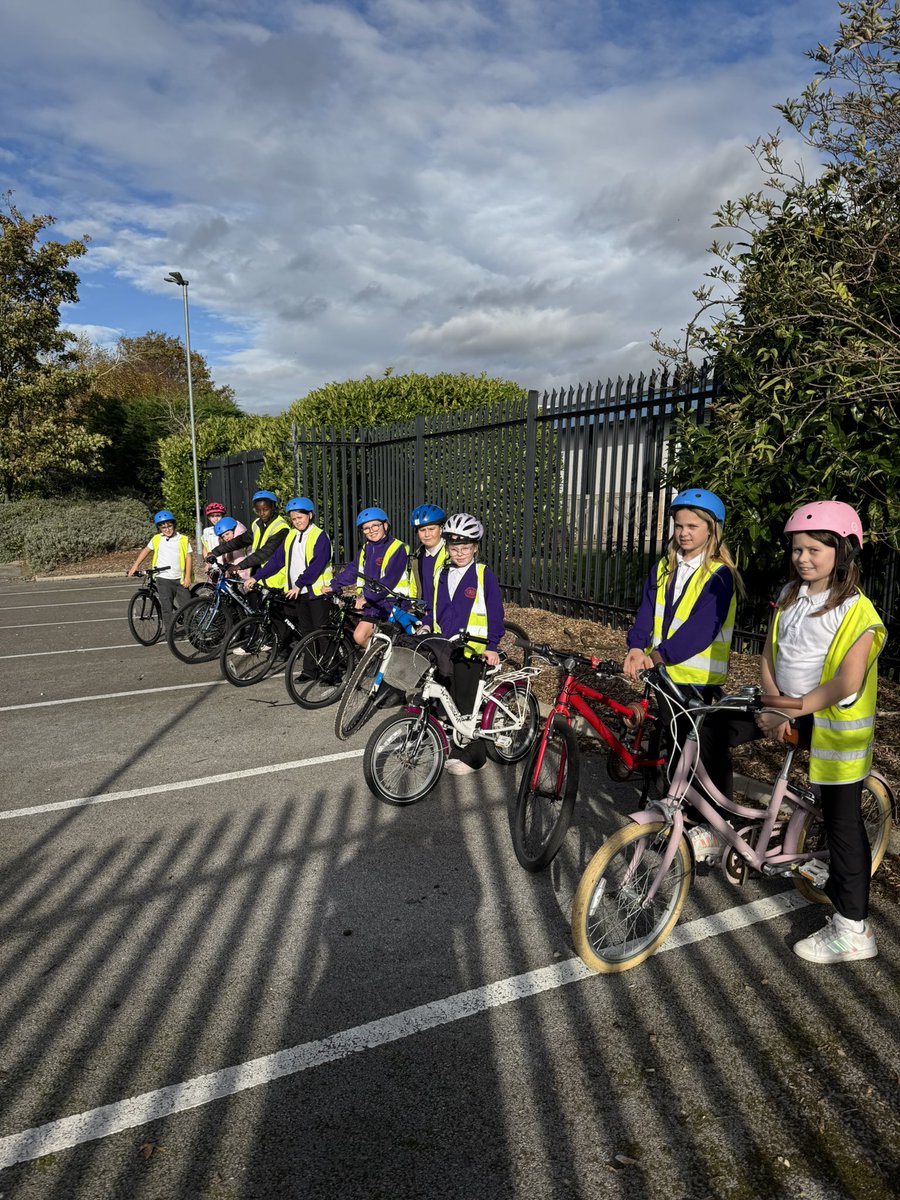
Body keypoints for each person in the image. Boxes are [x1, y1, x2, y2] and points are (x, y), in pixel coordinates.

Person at [699, 500, 885, 963]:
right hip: (784, 705)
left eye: (814, 551)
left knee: (842, 823)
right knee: (711, 727)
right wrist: (772, 701)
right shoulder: (789, 595)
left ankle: (853, 929)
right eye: (796, 550)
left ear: (842, 554)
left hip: (832, 722)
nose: (802, 559)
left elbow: (848, 681)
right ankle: (717, 825)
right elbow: (768, 654)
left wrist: (791, 712)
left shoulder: (859, 611)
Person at [423, 512, 505, 776]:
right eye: (454, 548)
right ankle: (451, 741)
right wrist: (426, 623)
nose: (459, 553)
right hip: (445, 646)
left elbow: (495, 611)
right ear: (447, 548)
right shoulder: (441, 573)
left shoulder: (483, 574)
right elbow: (433, 605)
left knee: (465, 703)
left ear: (475, 548)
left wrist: (492, 645)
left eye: (465, 548)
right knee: (446, 698)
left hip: (473, 649)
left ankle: (474, 757)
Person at [324, 507, 410, 650]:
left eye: (375, 525)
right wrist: (334, 585)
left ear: (385, 525)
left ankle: (385, 660)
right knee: (361, 635)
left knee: (361, 636)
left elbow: (389, 580)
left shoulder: (397, 548)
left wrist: (366, 598)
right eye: (366, 528)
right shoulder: (366, 548)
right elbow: (353, 570)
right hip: (373, 603)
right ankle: (380, 659)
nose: (371, 531)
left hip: (392, 603)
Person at [128, 510, 193, 636]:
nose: (167, 529)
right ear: (159, 528)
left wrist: (187, 577)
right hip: (163, 578)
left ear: (174, 525)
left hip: (179, 578)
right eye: (163, 527)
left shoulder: (182, 539)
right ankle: (170, 632)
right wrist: (135, 566)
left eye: (169, 526)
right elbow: (146, 550)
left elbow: (188, 557)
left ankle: (191, 631)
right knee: (166, 607)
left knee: (187, 606)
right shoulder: (157, 539)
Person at [280, 497, 334, 642]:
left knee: (321, 632)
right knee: (306, 633)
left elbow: (317, 565)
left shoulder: (320, 536)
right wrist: (257, 576)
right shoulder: (291, 534)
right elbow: (277, 560)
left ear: (310, 515)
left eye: (300, 517)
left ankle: (332, 664)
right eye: (293, 518)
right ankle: (310, 666)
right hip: (299, 593)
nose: (297, 521)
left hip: (317, 593)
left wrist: (299, 583)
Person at [409, 503, 449, 612]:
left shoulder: (451, 555)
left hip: (444, 614)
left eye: (431, 529)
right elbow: (414, 587)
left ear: (441, 529)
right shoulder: (417, 556)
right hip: (424, 614)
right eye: (422, 530)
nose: (427, 535)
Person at [212, 517, 251, 583]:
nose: (226, 538)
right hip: (234, 573)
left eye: (227, 534)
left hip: (244, 572)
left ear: (234, 530)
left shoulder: (241, 542)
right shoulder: (228, 544)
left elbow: (250, 555)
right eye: (223, 536)